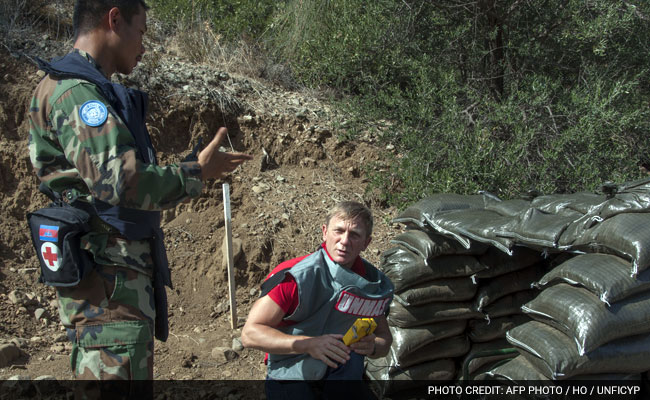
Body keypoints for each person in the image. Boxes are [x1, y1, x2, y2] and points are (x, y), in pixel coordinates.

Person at [27, 0, 252, 382]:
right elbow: (120, 180)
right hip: (108, 286)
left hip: (111, 285)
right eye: (142, 32)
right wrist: (196, 173)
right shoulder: (76, 93)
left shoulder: (81, 87)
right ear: (114, 19)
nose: (144, 46)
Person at [242, 201, 394, 399]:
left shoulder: (370, 285)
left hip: (342, 374)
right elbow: (250, 334)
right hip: (293, 370)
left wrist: (373, 346)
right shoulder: (296, 277)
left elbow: (384, 338)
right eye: (338, 231)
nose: (344, 241)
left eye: (355, 234)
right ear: (324, 232)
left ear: (367, 242)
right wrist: (309, 344)